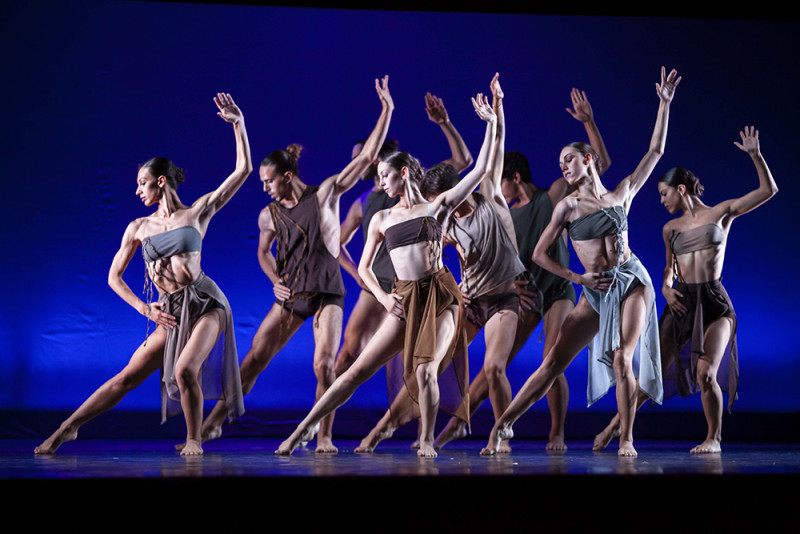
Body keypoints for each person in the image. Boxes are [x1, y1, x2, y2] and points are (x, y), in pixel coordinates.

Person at [276, 82, 500, 457]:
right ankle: (303, 429)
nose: (378, 181)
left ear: (405, 174)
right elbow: (362, 268)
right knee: (355, 371)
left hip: (442, 296)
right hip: (403, 297)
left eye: (384, 175)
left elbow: (480, 168)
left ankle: (426, 440)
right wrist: (383, 296)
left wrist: (493, 122)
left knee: (427, 371)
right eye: (378, 176)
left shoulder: (437, 206)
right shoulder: (380, 217)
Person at [35, 93, 253, 456]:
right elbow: (113, 277)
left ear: (162, 181)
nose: (138, 190)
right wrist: (144, 308)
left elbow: (242, 171)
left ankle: (193, 440)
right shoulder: (137, 227)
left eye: (143, 183)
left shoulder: (197, 212)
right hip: (168, 309)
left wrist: (238, 125)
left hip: (206, 304)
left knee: (185, 371)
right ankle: (67, 427)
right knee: (127, 378)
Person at [481, 67, 681, 458]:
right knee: (553, 362)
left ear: (587, 160)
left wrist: (664, 104)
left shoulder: (621, 193)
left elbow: (655, 152)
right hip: (594, 289)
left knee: (624, 356)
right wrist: (578, 277)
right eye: (560, 164)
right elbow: (539, 254)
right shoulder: (567, 207)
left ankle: (626, 439)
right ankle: (503, 424)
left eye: (568, 160)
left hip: (631, 281)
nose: (563, 167)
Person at [193, 76, 394, 454]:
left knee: (324, 367)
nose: (265, 187)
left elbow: (367, 158)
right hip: (291, 296)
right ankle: (211, 424)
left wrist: (387, 109)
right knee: (253, 360)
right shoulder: (267, 216)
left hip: (327, 295)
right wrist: (273, 280)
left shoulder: (326, 194)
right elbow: (263, 254)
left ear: (288, 176)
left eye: (269, 181)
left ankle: (324, 437)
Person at [434, 87, 612, 452]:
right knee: (493, 368)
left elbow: (601, 165)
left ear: (515, 178)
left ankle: (557, 432)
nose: (497, 190)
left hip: (559, 290)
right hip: (525, 293)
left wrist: (589, 122)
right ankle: (459, 423)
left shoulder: (554, 196)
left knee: (553, 356)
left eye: (502, 183)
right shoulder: (504, 212)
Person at [593, 126, 777, 454]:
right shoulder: (670, 229)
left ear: (680, 189)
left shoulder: (721, 213)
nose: (661, 200)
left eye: (664, 194)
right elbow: (669, 268)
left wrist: (756, 155)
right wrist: (664, 288)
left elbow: (768, 190)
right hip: (682, 302)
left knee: (707, 372)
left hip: (715, 302)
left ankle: (713, 439)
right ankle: (614, 425)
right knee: (654, 378)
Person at [335, 91, 473, 384]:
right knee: (347, 357)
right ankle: (323, 430)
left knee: (412, 366)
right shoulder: (363, 202)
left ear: (375, 158)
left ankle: (417, 427)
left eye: (359, 157)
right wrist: (358, 275)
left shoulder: (417, 184)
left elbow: (463, 160)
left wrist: (445, 123)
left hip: (420, 284)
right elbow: (337, 243)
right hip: (380, 287)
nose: (354, 163)